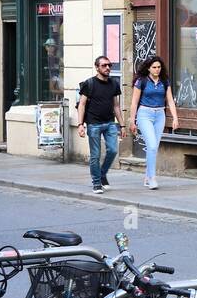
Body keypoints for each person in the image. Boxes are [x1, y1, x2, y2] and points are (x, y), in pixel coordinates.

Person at [129, 54, 179, 190]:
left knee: (154, 147)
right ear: (149, 68)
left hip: (160, 114)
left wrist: (175, 118)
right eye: (154, 67)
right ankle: (152, 177)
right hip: (145, 114)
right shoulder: (141, 81)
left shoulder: (165, 81)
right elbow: (134, 102)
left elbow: (170, 100)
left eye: (159, 67)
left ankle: (147, 176)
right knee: (151, 145)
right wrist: (132, 121)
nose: (157, 70)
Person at [75, 56, 124, 194]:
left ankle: (102, 174)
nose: (108, 68)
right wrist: (80, 125)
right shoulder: (89, 84)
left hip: (109, 123)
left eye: (109, 65)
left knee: (113, 150)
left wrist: (122, 125)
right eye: (104, 65)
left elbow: (116, 105)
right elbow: (82, 105)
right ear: (97, 67)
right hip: (94, 124)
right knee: (95, 155)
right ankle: (96, 182)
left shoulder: (114, 84)